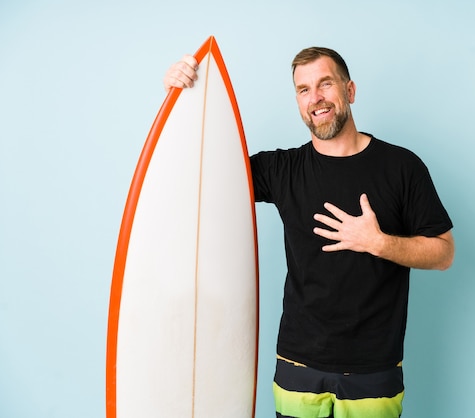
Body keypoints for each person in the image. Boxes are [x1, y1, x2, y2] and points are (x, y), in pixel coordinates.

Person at [164, 46, 454, 418]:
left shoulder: (402, 167)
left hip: (373, 369)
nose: (315, 98)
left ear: (349, 91)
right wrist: (183, 98)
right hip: (297, 365)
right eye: (303, 89)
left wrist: (378, 242)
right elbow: (199, 174)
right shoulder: (281, 169)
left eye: (325, 84)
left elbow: (444, 252)